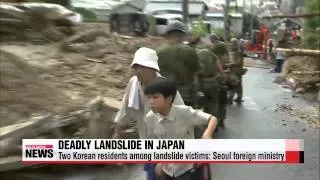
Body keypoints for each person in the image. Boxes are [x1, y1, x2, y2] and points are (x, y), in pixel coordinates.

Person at [112, 47, 184, 180]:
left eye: (142, 67)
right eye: (136, 66)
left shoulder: (166, 88)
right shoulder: (133, 85)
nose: (137, 71)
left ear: (153, 69)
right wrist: (118, 133)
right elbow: (125, 109)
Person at [143, 77, 217, 180]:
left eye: (155, 97)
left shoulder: (185, 113)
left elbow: (212, 119)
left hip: (189, 169)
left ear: (168, 99)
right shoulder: (150, 119)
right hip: (167, 170)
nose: (150, 102)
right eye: (149, 97)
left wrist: (207, 134)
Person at [156, 20, 200, 107]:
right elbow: (196, 72)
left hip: (165, 94)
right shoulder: (190, 51)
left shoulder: (159, 52)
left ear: (167, 35)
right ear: (182, 35)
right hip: (186, 94)